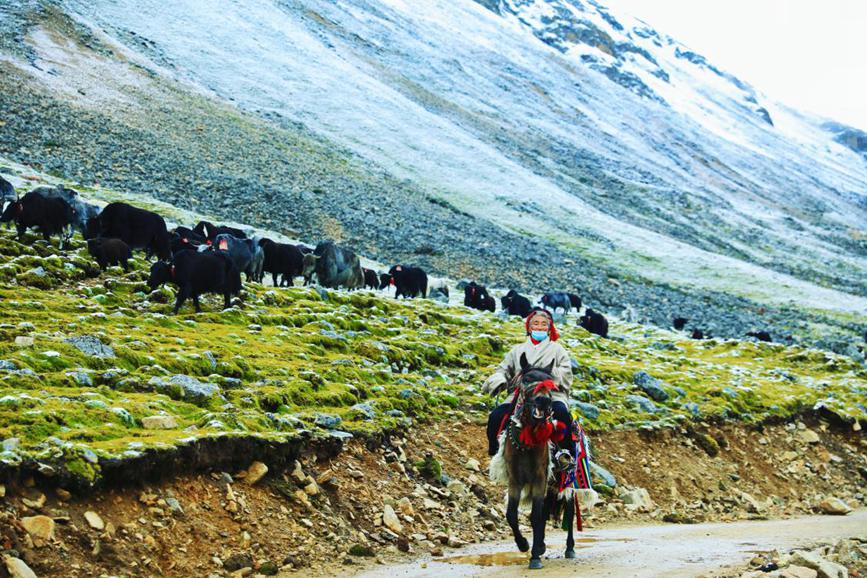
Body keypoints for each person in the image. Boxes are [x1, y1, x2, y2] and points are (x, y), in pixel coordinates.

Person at [483, 307, 575, 471]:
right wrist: (499, 380)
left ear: (549, 328)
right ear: (529, 327)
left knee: (561, 413)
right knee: (496, 417)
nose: (539, 327)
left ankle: (565, 455)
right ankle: (497, 454)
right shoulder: (517, 351)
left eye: (543, 325)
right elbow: (503, 370)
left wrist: (543, 376)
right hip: (521, 395)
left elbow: (566, 373)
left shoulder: (558, 350)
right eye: (536, 324)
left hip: (550, 394)